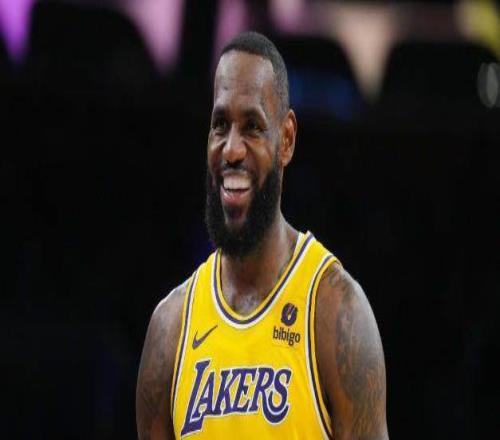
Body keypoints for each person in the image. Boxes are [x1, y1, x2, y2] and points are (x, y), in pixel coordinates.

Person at [136, 31, 388, 440]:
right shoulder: (170, 330)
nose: (231, 149)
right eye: (220, 125)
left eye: (252, 127)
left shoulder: (335, 313)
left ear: (286, 139)